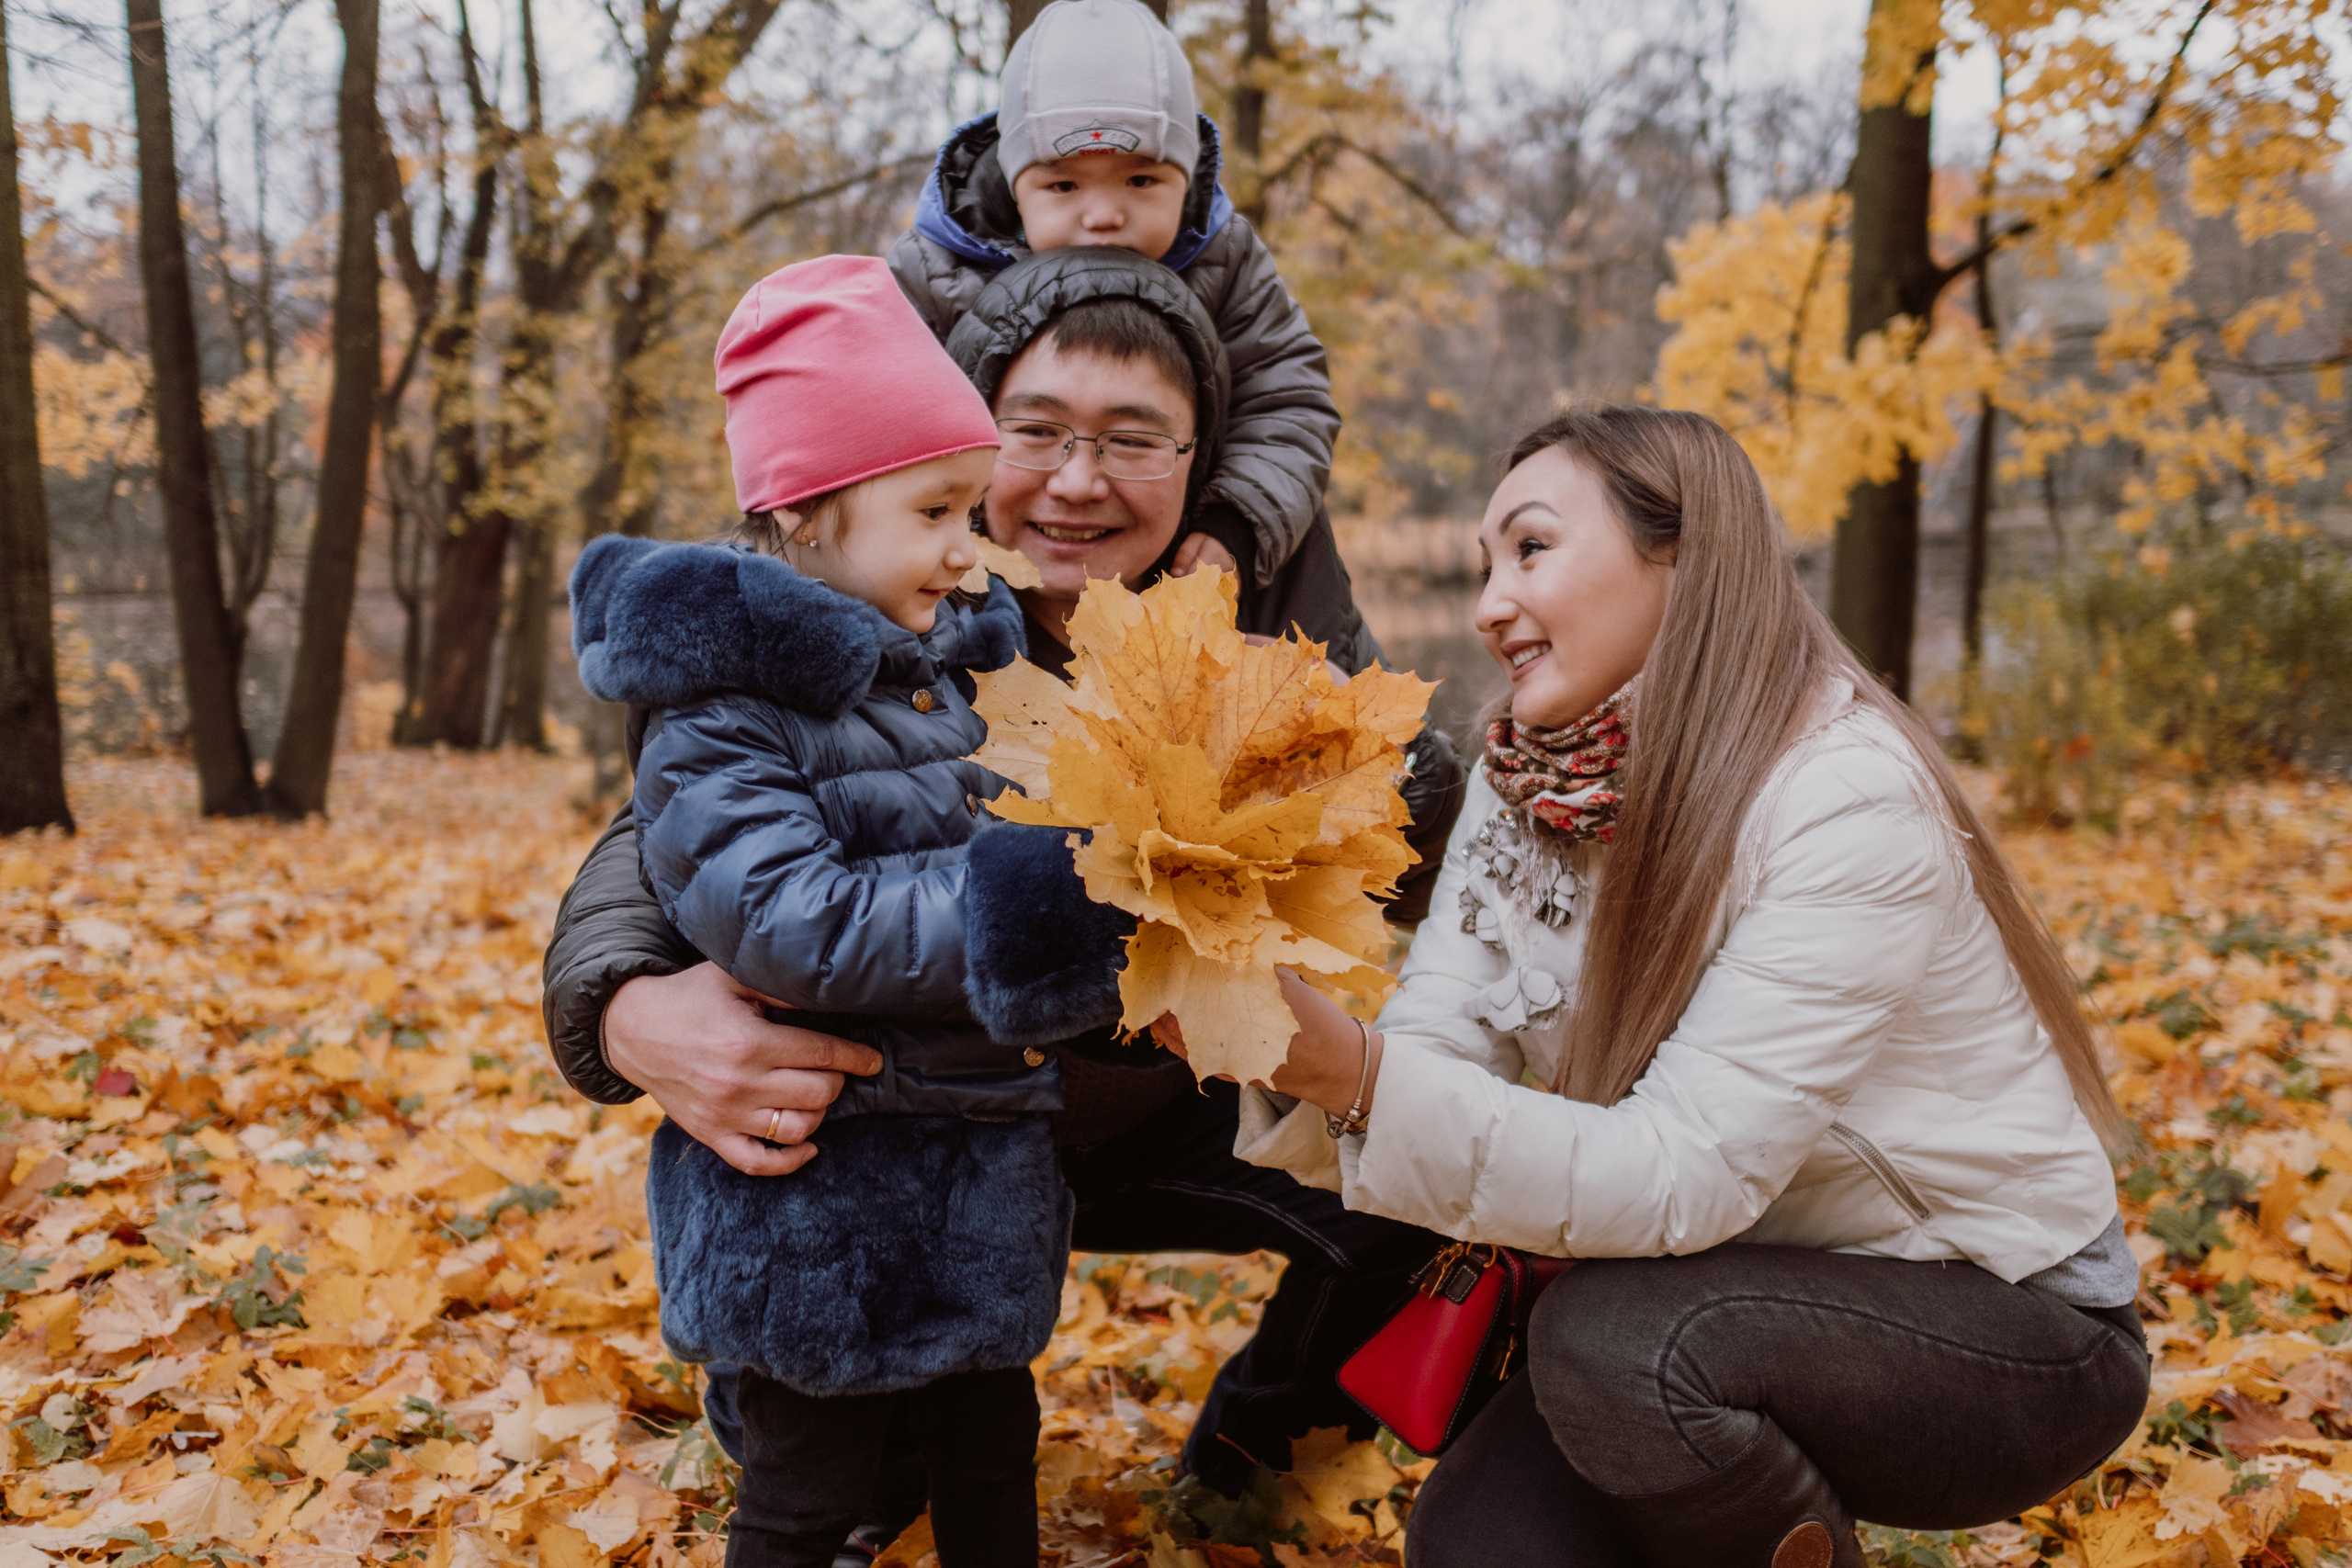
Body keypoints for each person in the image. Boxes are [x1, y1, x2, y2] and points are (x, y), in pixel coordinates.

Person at [543, 249, 1460, 1563]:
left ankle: (1251, 1450)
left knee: (1413, 1173)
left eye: (1135, 438)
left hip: (1118, 1096)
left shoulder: (1262, 610)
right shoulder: (886, 627)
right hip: (894, 1110)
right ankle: (830, 1456)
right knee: (851, 1461)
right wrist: (621, 1003)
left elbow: (1413, 805)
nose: (1076, 480)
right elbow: (678, 843)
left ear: (1200, 460)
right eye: (1036, 432)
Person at [1190, 407, 2152, 1568]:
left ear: (1684, 557)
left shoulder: (1841, 797)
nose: (1490, 602)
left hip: (2009, 1320)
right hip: (1707, 1292)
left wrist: (1360, 1074)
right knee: (1479, 1544)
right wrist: (1305, 1061)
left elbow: (1685, 1170)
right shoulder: (1527, 783)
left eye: (1532, 549)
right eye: (1486, 562)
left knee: (1609, 1347)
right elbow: (1439, 1041)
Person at [566, 254, 1136, 1568]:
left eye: (968, 506)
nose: (967, 543)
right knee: (806, 1485)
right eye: (936, 507)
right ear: (810, 512)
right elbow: (785, 916)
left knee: (994, 1446)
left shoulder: (936, 681)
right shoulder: (722, 707)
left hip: (974, 1157)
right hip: (818, 1195)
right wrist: (1022, 901)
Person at [891, 0, 1338, 599]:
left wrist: (1235, 518)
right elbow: (881, 413)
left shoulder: (1224, 259)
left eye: (1141, 180)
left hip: (1164, 565)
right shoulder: (941, 264)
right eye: (1064, 185)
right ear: (1016, 190)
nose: (1103, 215)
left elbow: (1287, 399)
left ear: (1187, 178)